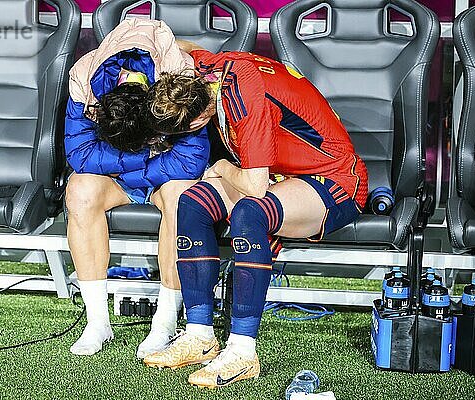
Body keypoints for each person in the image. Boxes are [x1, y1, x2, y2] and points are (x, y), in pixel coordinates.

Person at [142, 44, 368, 388]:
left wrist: (218, 165)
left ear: (201, 118)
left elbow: (255, 186)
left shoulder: (244, 97)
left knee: (251, 211)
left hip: (334, 176)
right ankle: (199, 335)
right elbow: (176, 43)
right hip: (279, 173)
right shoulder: (204, 71)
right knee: (191, 202)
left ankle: (242, 352)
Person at [64, 20, 210, 358]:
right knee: (79, 191)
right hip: (125, 175)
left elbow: (191, 161)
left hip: (166, 179)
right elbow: (80, 154)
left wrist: (129, 157)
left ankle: (165, 321)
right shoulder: (84, 78)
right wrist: (146, 152)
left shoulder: (180, 81)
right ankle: (97, 321)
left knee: (182, 198)